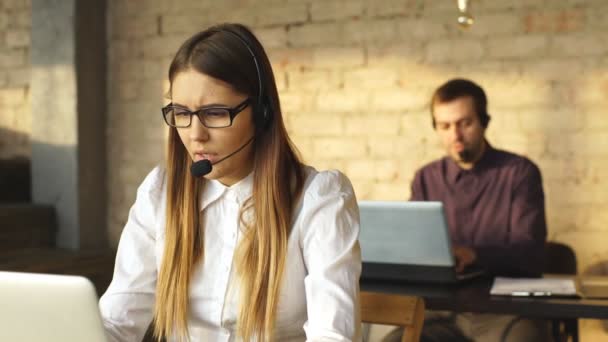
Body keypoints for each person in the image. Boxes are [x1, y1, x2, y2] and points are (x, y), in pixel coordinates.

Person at [99, 23, 361, 342]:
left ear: (262, 113)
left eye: (215, 113)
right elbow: (118, 321)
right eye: (181, 113)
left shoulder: (319, 198)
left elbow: (332, 336)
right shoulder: (160, 193)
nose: (195, 134)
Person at [409, 78, 550, 342]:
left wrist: (472, 254)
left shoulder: (519, 173)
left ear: (485, 121)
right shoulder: (425, 179)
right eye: (445, 126)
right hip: (441, 311)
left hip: (506, 312)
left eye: (465, 123)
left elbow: (532, 254)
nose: (456, 136)